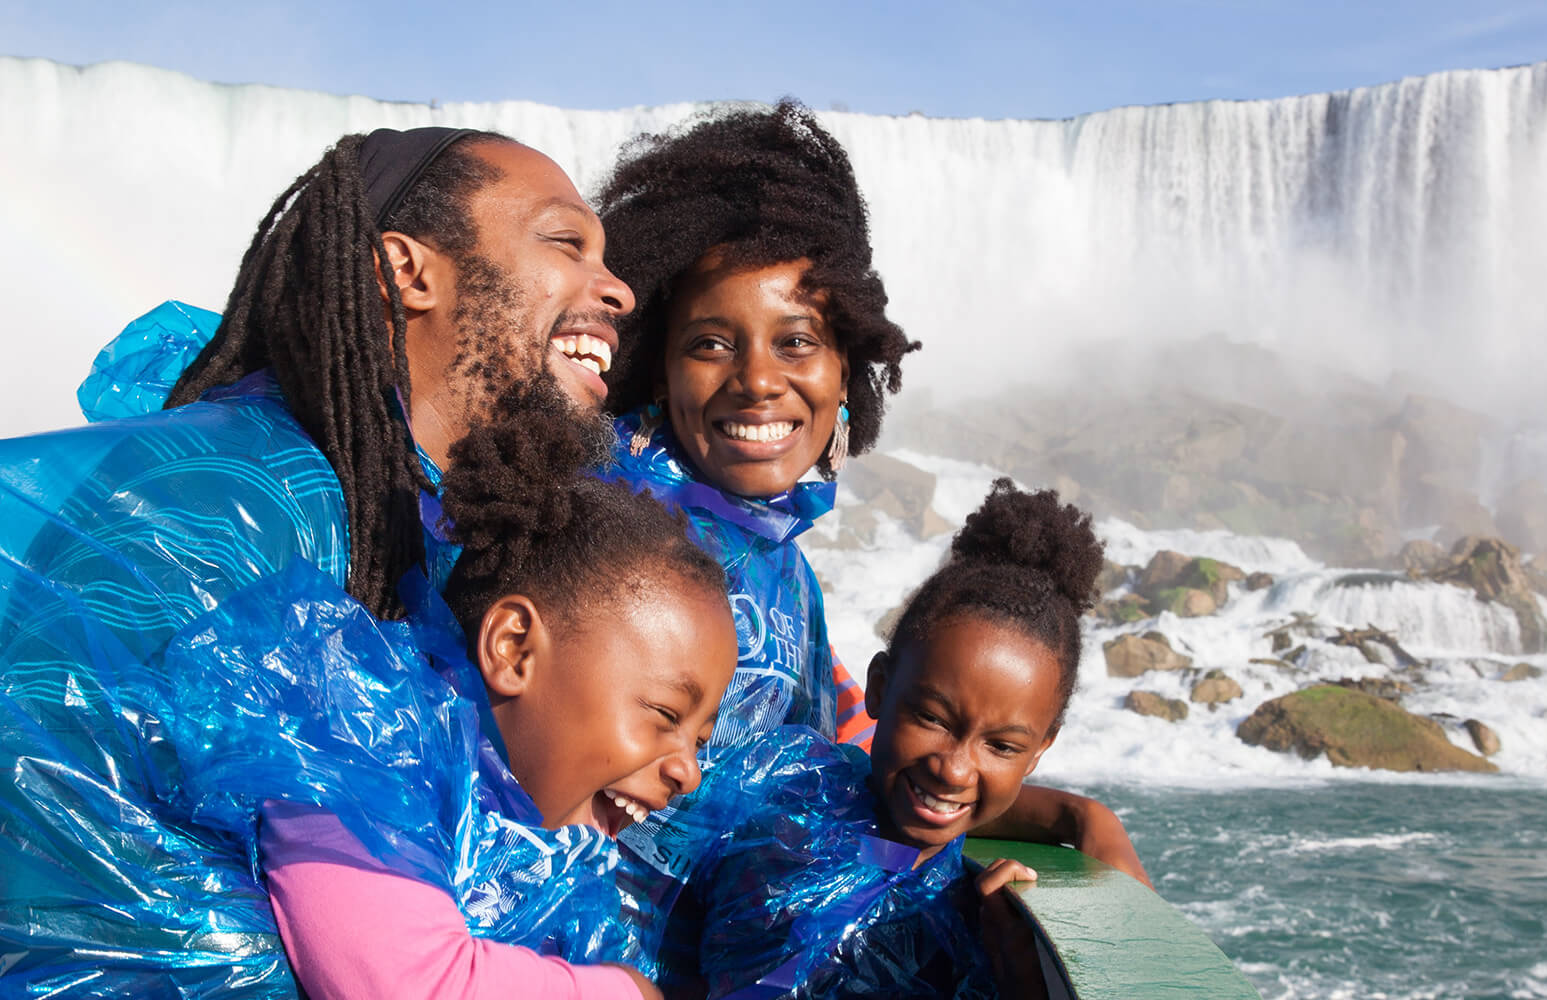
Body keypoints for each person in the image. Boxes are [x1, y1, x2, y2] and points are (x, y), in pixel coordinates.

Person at [0, 126, 634, 992]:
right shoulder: (240, 500)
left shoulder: (388, 513)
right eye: (567, 242)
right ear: (406, 272)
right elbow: (57, 865)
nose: (620, 290)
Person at [591, 103, 1145, 972]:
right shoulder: (606, 544)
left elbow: (862, 752)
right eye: (709, 344)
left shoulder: (783, 570)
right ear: (656, 368)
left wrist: (1074, 818)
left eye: (798, 341)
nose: (759, 381)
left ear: (846, 369)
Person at [159, 397, 740, 1000]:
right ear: (515, 650)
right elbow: (409, 983)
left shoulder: (540, 852)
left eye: (699, 739)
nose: (688, 773)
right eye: (667, 715)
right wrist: (625, 993)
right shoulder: (365, 752)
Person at [685, 478, 1101, 999]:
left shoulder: (974, 917)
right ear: (878, 688)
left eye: (1002, 747)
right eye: (932, 718)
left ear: (1040, 751)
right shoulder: (785, 793)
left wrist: (1018, 969)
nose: (953, 769)